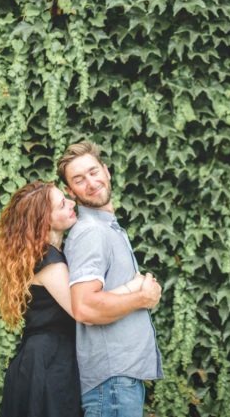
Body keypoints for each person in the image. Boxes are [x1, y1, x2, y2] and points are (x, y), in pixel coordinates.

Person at [0, 180, 147, 417]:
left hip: (46, 358)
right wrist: (133, 289)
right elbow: (81, 307)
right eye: (63, 204)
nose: (72, 203)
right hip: (48, 363)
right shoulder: (48, 260)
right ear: (46, 220)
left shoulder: (49, 255)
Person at [57, 141, 164, 417]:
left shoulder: (108, 228)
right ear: (71, 191)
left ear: (106, 171)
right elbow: (85, 307)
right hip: (112, 382)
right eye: (79, 180)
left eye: (93, 172)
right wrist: (142, 297)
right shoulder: (91, 232)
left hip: (119, 380)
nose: (91, 183)